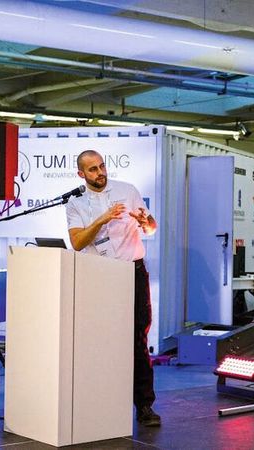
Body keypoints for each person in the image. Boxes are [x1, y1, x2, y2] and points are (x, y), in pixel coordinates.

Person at [65, 149, 161, 427]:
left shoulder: (127, 190)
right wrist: (102, 219)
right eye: (93, 169)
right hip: (98, 274)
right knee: (98, 338)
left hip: (132, 271)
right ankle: (99, 403)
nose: (100, 173)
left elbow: (151, 227)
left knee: (137, 338)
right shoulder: (75, 203)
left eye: (102, 166)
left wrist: (146, 223)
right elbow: (77, 243)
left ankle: (144, 405)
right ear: (81, 174)